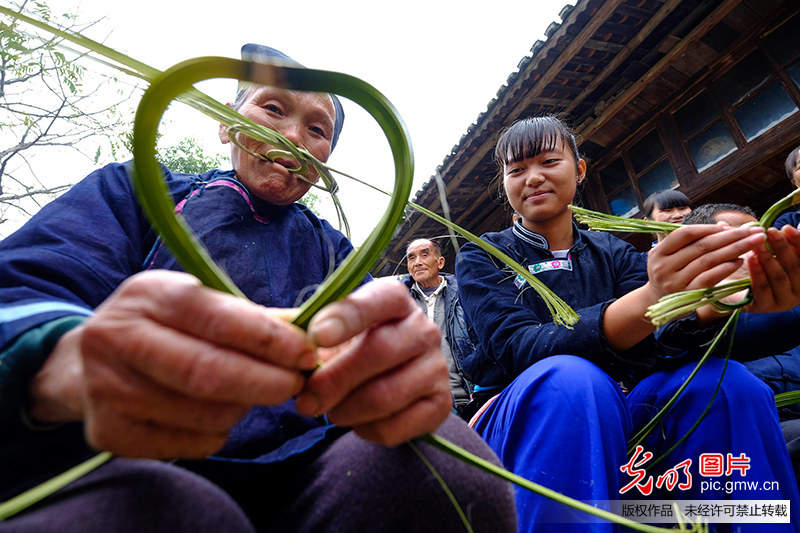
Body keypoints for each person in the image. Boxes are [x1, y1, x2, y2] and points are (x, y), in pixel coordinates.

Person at [0, 45, 517, 532]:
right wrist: (65, 360)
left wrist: (399, 370)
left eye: (317, 129)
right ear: (227, 123)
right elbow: (25, 285)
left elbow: (381, 342)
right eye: (274, 108)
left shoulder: (332, 249)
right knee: (186, 513)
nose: (295, 137)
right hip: (120, 454)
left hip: (308, 465)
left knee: (448, 462)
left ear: (325, 164)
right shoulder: (134, 190)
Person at [456, 116, 800, 532]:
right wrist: (651, 299)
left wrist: (711, 307)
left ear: (580, 170)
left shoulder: (615, 251)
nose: (532, 178)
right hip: (530, 411)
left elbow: (662, 337)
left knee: (726, 384)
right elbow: (518, 347)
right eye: (516, 170)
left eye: (549, 161)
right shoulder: (483, 255)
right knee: (572, 379)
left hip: (625, 399)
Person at [683, 202, 800, 482]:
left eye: (759, 239)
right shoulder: (684, 319)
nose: (756, 250)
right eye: (737, 242)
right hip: (762, 428)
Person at [402, 238, 475, 417]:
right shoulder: (398, 305)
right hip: (419, 405)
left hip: (466, 399)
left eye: (424, 255)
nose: (418, 262)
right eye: (411, 258)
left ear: (440, 262)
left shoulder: (465, 295)